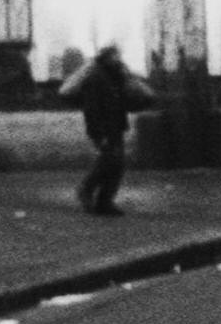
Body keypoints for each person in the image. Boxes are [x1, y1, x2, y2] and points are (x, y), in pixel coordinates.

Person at [59, 43, 154, 216]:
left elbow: (130, 99)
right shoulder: (96, 78)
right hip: (103, 128)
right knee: (109, 162)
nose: (118, 58)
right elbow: (92, 108)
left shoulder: (116, 76)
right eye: (115, 55)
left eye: (118, 55)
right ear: (107, 57)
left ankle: (104, 201)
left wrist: (129, 78)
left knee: (116, 165)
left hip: (116, 125)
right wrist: (97, 133)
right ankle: (87, 189)